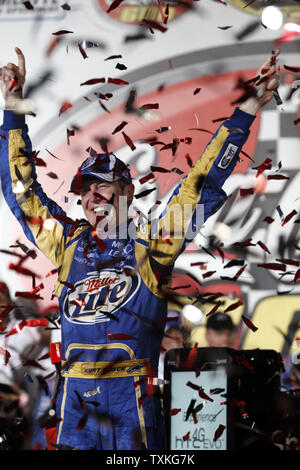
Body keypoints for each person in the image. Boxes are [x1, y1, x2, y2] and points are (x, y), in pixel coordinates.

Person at [0, 47, 280, 450]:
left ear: (127, 192)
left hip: (132, 399)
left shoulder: (153, 244)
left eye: (102, 186)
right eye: (85, 190)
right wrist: (13, 109)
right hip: (75, 401)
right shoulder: (67, 243)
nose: (93, 197)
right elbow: (21, 194)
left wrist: (248, 107)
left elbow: (203, 182)